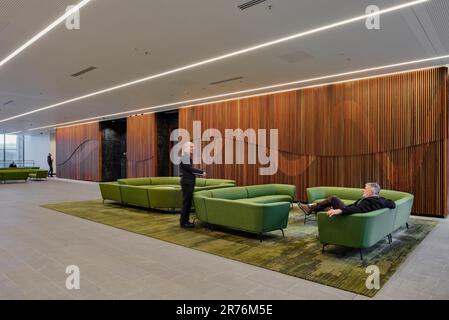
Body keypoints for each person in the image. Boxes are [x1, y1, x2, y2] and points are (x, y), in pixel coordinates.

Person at [298, 182, 395, 217]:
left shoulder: (371, 201)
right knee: (327, 208)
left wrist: (340, 210)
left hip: (351, 215)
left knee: (333, 198)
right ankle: (311, 208)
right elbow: (392, 204)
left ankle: (310, 208)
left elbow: (358, 209)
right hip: (350, 210)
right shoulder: (380, 199)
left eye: (365, 188)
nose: (363, 190)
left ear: (372, 191)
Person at [179, 141, 206, 228]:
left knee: (188, 203)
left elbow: (188, 169)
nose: (193, 149)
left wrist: (199, 173)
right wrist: (201, 172)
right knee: (186, 203)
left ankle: (185, 221)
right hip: (187, 183)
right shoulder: (185, 156)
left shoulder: (186, 156)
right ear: (186, 147)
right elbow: (189, 168)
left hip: (188, 182)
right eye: (191, 147)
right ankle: (184, 223)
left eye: (193, 147)